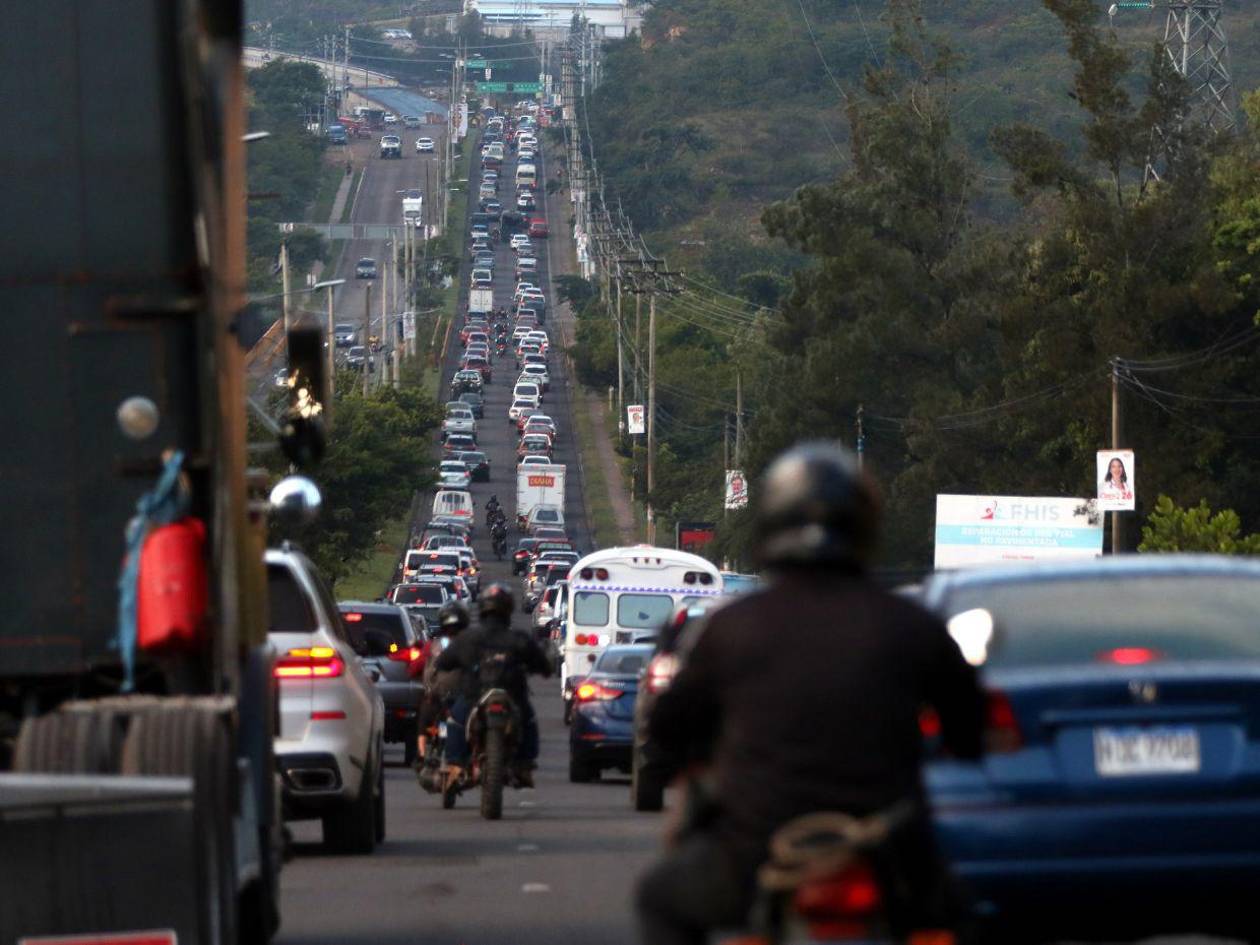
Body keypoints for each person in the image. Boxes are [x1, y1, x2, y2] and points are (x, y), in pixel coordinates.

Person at [635, 442, 985, 945]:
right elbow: (968, 730)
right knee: (968, 915)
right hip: (889, 848)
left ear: (771, 525)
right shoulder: (911, 625)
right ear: (864, 528)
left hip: (756, 849)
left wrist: (670, 767)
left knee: (660, 899)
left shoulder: (731, 628)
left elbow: (667, 729)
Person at [434, 582, 552, 787]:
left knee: (455, 721)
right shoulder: (518, 638)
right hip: (509, 695)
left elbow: (443, 662)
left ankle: (456, 766)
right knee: (529, 720)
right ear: (508, 609)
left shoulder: (468, 638)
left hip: (475, 696)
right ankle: (523, 765)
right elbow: (543, 664)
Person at [415, 599, 471, 767]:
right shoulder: (471, 645)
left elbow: (414, 667)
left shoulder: (432, 646)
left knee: (423, 722)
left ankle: (422, 754)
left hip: (437, 698)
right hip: (462, 700)